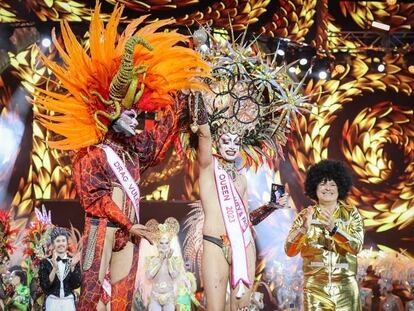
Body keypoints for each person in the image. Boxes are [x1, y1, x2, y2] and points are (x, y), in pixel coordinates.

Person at [32, 3, 209, 310]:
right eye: (128, 111)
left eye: (137, 112)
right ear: (108, 111)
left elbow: (165, 127)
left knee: (123, 302)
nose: (135, 117)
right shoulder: (92, 154)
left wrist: (191, 73)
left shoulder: (135, 149)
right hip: (104, 230)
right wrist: (130, 224)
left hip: (130, 234)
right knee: (88, 301)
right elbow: (96, 201)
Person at [285, 159, 364, 310]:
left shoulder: (351, 214)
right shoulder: (304, 216)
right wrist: (303, 230)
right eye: (323, 183)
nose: (328, 188)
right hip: (315, 289)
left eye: (333, 184)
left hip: (346, 289)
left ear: (340, 187)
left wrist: (335, 230)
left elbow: (357, 246)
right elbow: (289, 251)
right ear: (314, 187)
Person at [38, 227, 81, 311]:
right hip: (52, 302)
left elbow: (76, 285)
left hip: (68, 302)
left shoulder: (73, 261)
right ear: (53, 244)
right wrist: (54, 268)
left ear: (67, 243)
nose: (61, 243)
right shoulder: (45, 262)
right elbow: (45, 286)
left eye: (63, 241)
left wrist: (72, 266)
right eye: (58, 241)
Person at [145, 218, 181, 311]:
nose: (164, 245)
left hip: (169, 297)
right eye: (161, 243)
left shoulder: (174, 260)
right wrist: (160, 261)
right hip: (155, 296)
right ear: (157, 245)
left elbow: (174, 276)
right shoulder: (152, 260)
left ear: (169, 244)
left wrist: (168, 260)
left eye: (166, 243)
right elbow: (149, 276)